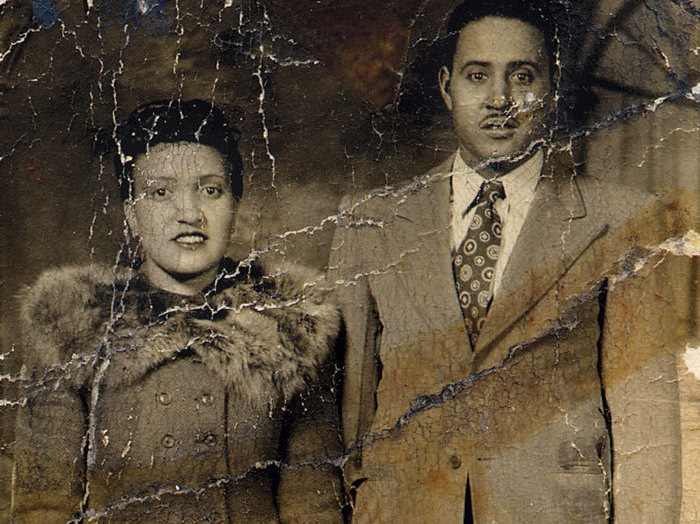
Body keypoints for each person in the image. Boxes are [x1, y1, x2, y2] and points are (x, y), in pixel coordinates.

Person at [330, 1, 683, 522]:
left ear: (553, 88)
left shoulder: (621, 220)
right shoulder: (370, 224)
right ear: (447, 87)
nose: (500, 100)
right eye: (478, 76)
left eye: (522, 76)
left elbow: (646, 430)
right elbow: (349, 423)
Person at [12, 99, 345, 523]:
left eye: (210, 190)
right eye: (160, 192)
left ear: (234, 205)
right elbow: (44, 507)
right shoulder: (74, 327)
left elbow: (313, 506)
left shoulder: (291, 328)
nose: (188, 214)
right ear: (131, 214)